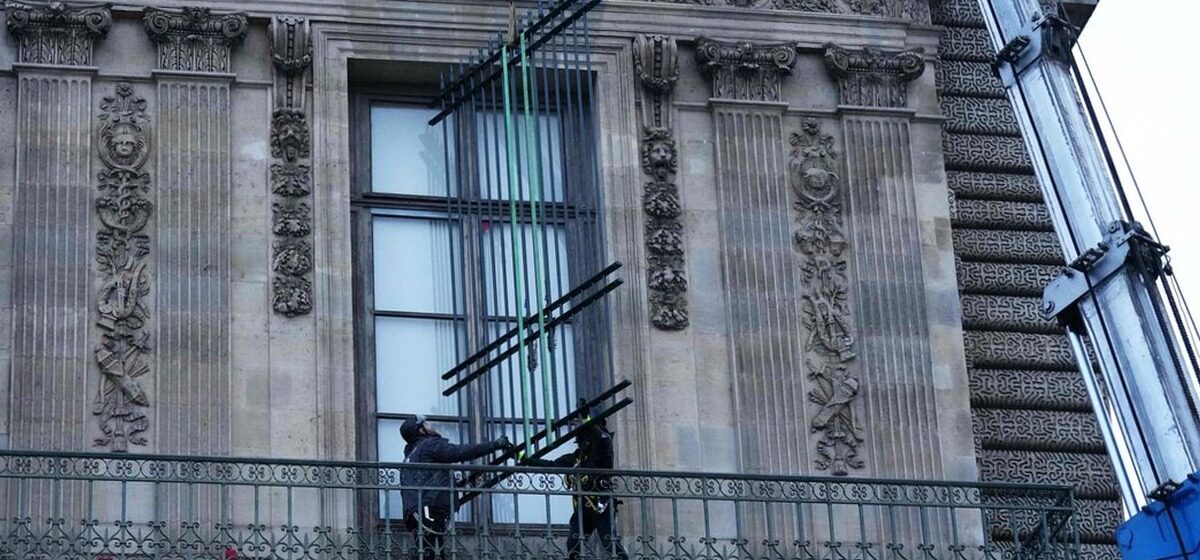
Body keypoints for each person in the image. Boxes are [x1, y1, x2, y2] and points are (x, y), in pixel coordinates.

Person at [400, 415, 512, 560]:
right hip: (429, 507)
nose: (431, 425)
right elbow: (459, 452)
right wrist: (495, 445)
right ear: (421, 430)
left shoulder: (410, 455)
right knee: (431, 553)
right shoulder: (429, 445)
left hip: (416, 511)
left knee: (430, 552)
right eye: (426, 424)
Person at [520, 414, 628, 560]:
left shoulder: (603, 452)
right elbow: (551, 465)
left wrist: (588, 418)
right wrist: (525, 459)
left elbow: (602, 438)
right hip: (584, 506)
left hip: (601, 505)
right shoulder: (577, 457)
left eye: (583, 441)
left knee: (610, 542)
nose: (580, 445)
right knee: (573, 543)